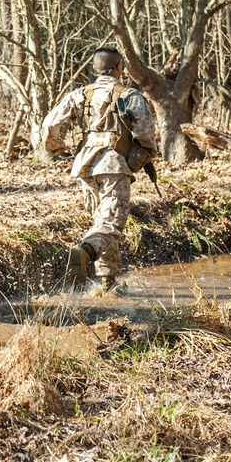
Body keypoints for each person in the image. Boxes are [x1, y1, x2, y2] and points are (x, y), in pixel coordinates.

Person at [41, 46, 158, 291]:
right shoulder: (130, 95)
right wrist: (146, 153)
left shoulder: (80, 94)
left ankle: (108, 283)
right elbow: (145, 132)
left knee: (102, 220)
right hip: (114, 165)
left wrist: (55, 148)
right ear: (119, 68)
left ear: (95, 69)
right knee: (112, 223)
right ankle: (84, 252)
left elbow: (51, 123)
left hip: (85, 165)